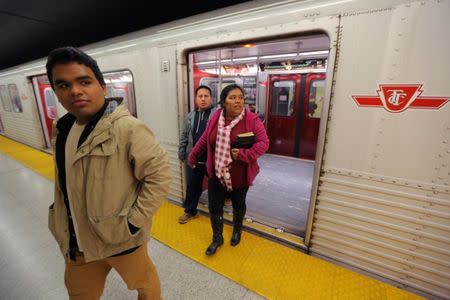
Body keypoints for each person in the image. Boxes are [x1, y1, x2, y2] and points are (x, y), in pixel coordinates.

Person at [46, 47, 171, 300]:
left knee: (146, 286)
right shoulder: (61, 129)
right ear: (57, 93)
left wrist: (132, 222)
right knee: (80, 294)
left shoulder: (129, 129)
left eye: (84, 81)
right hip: (77, 240)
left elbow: (159, 177)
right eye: (63, 85)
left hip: (120, 238)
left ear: (102, 86)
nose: (75, 91)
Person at [188, 84, 269, 256]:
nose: (238, 101)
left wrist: (244, 154)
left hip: (240, 175)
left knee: (239, 205)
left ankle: (237, 230)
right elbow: (205, 138)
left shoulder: (252, 120)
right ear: (224, 102)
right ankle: (217, 238)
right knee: (214, 207)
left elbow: (264, 144)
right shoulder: (216, 116)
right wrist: (193, 154)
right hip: (217, 172)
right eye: (232, 98)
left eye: (240, 97)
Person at [178, 85, 216, 224]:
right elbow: (184, 136)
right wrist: (182, 152)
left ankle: (216, 214)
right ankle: (190, 211)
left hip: (211, 160)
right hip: (193, 159)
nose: (203, 99)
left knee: (216, 187)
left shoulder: (217, 115)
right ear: (195, 99)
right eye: (200, 96)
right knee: (192, 187)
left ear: (211, 99)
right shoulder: (190, 116)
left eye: (206, 96)